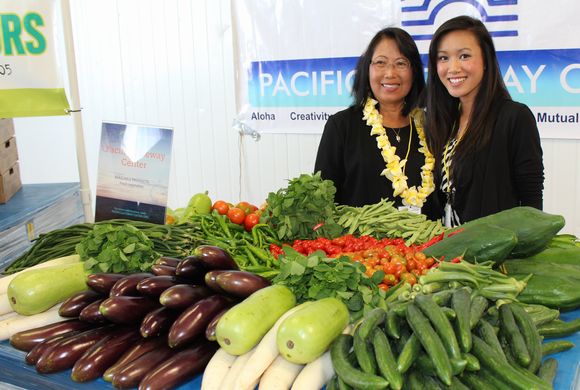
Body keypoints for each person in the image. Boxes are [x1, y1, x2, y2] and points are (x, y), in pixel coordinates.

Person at [423, 15, 544, 227]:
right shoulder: (443, 121)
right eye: (443, 58)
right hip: (444, 251)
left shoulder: (514, 117)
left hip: (491, 255)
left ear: (486, 60)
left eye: (464, 56)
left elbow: (531, 201)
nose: (452, 68)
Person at [314, 27, 437, 218]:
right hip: (361, 246)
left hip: (427, 246)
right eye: (380, 62)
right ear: (367, 69)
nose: (390, 73)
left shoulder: (433, 126)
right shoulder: (341, 126)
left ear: (414, 71)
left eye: (401, 63)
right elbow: (321, 202)